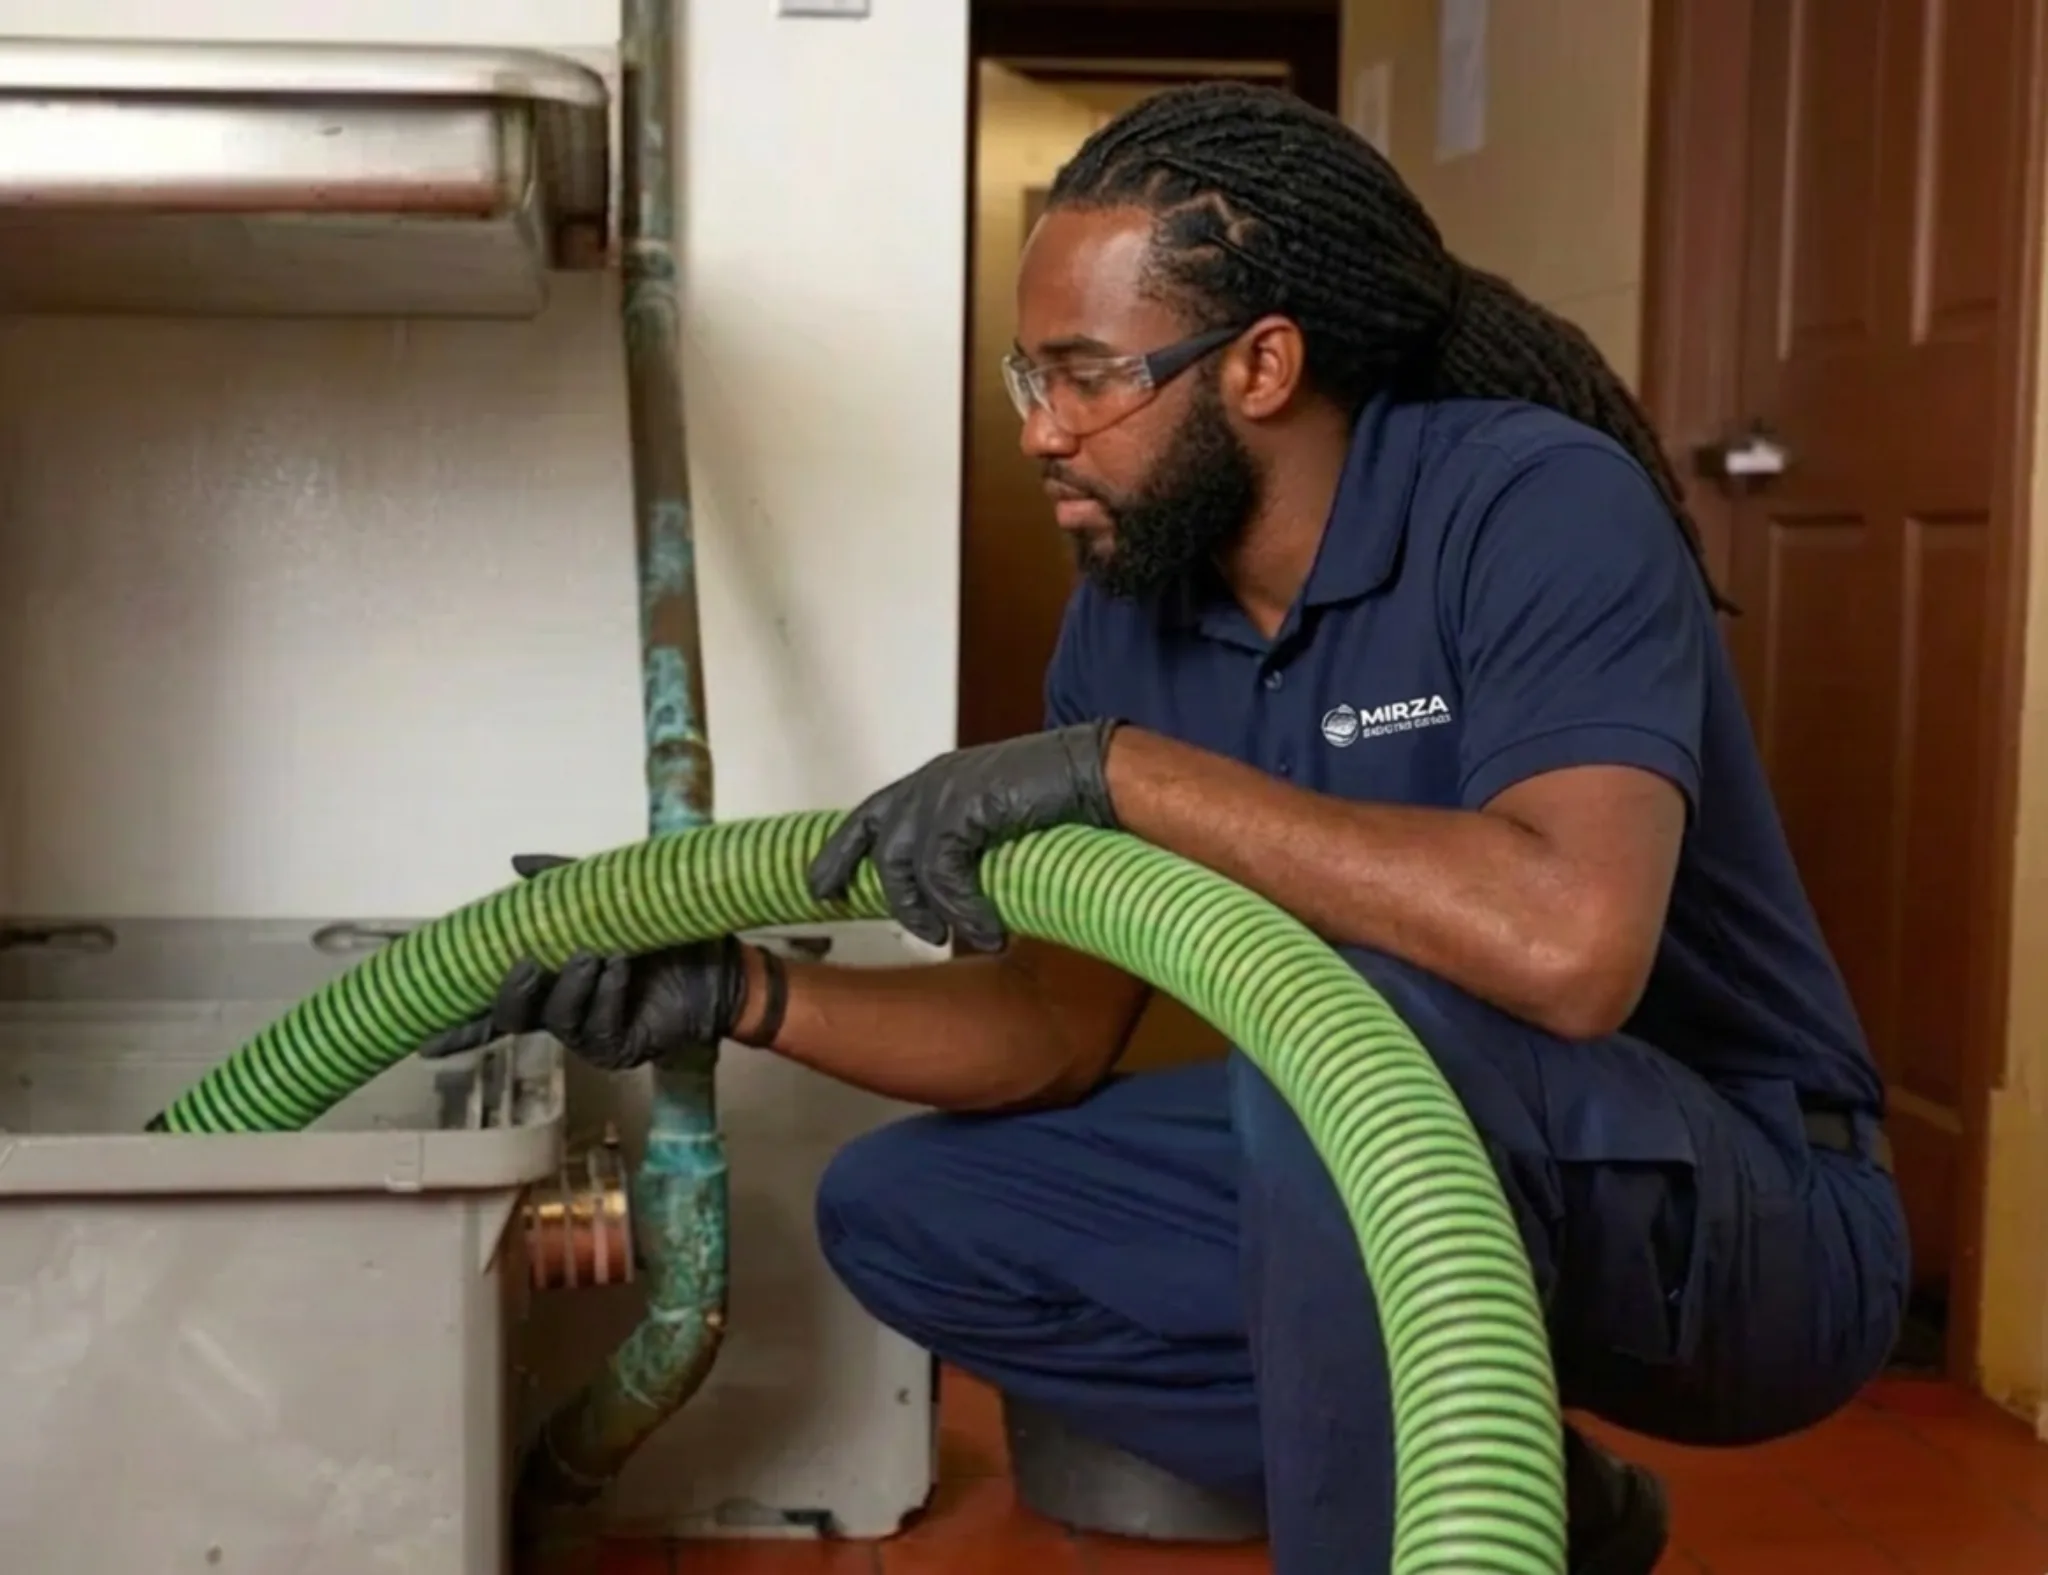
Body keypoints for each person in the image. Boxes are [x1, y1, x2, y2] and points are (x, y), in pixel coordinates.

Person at [423, 83, 1909, 1575]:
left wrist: (1128, 775)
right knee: (911, 1204)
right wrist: (743, 991)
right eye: (1028, 377)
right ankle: (1541, 1505)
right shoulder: (1132, 620)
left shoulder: (1531, 505)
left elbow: (1572, 943)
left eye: (1085, 378)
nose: (1039, 431)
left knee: (1346, 1041)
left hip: (1746, 1218)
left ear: (1262, 362)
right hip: (1415, 1172)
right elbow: (1056, 1031)